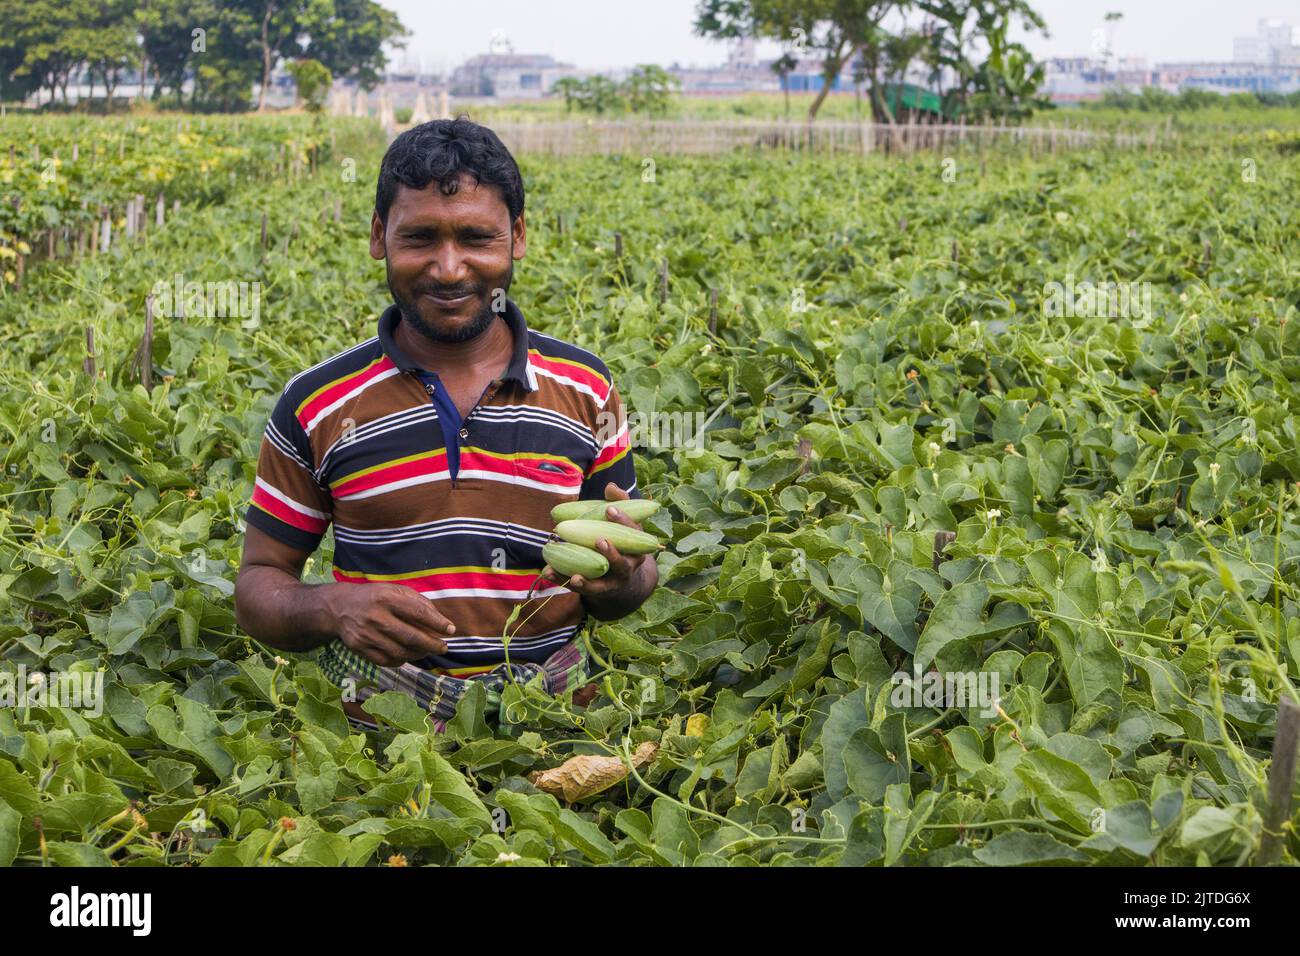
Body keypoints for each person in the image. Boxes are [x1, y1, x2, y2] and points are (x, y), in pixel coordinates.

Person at [233, 117, 658, 732]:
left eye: (476, 238)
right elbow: (258, 584)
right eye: (421, 237)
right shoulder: (316, 403)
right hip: (378, 719)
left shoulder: (587, 389)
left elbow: (633, 573)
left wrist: (620, 580)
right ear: (380, 236)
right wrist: (333, 606)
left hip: (555, 716)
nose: (450, 268)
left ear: (516, 237)